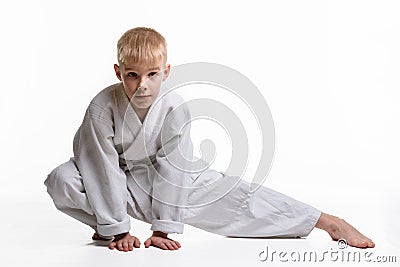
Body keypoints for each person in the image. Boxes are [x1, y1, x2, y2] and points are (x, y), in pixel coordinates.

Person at [44, 27, 375, 252]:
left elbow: (174, 169)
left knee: (232, 199)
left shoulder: (173, 106)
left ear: (166, 71)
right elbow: (100, 167)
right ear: (119, 73)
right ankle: (108, 228)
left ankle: (326, 221)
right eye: (132, 75)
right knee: (62, 181)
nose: (142, 84)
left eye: (152, 74)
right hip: (115, 175)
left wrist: (163, 228)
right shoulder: (102, 108)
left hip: (168, 175)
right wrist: (118, 227)